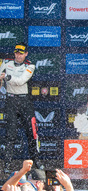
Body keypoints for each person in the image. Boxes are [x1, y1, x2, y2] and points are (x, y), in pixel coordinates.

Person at [0, 43, 39, 172]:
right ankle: (6, 164)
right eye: (16, 53)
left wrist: (6, 77)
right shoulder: (6, 63)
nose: (18, 55)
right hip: (11, 100)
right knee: (10, 134)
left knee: (31, 132)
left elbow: (21, 81)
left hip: (24, 101)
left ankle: (36, 161)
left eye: (21, 53)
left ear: (26, 54)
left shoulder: (30, 65)